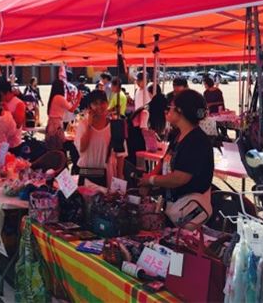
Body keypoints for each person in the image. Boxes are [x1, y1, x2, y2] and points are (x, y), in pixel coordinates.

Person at [140, 89, 214, 218]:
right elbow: (164, 160)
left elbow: (179, 178)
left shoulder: (196, 141)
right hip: (174, 206)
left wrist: (151, 180)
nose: (167, 111)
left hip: (189, 211)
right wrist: (148, 180)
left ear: (180, 111)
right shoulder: (179, 135)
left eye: (170, 107)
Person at [75, 90, 128, 186]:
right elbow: (82, 148)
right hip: (88, 176)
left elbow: (120, 155)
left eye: (102, 102)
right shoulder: (83, 125)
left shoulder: (116, 125)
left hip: (108, 175)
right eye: (95, 103)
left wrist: (120, 177)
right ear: (90, 106)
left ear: (107, 103)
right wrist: (89, 125)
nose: (99, 106)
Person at [45, 79, 81, 150]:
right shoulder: (59, 97)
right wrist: (79, 99)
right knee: (58, 146)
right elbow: (71, 109)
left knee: (53, 146)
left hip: (52, 124)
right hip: (57, 125)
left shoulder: (54, 97)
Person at [0, 81, 27, 155]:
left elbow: (18, 124)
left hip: (13, 144)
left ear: (8, 92)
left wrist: (7, 111)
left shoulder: (19, 103)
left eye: (1, 95)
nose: (1, 98)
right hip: (0, 142)